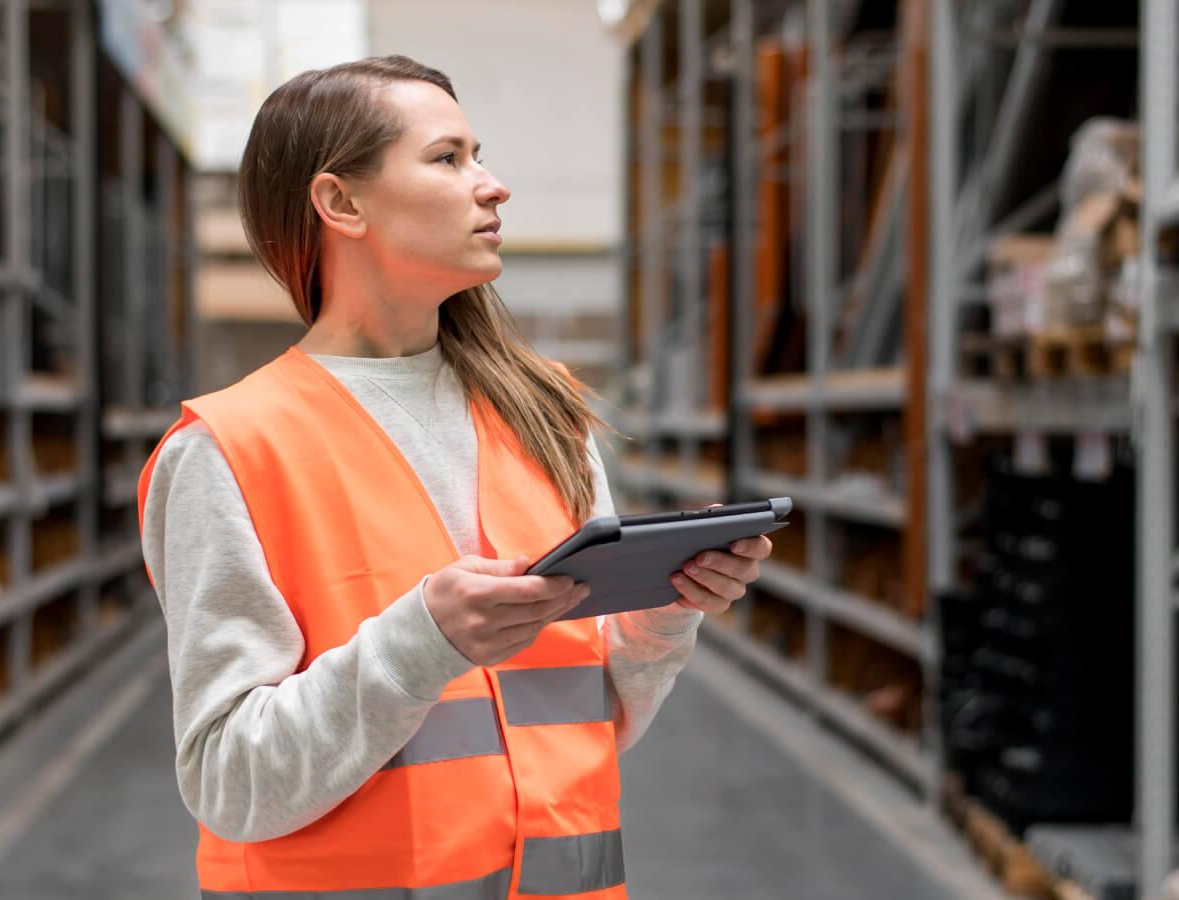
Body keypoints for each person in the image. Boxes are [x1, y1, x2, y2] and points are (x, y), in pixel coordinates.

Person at [136, 55, 773, 899]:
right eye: (448, 158)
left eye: (480, 154)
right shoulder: (231, 449)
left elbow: (591, 723)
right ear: (341, 202)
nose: (494, 185)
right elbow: (230, 782)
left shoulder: (543, 413)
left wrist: (663, 611)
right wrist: (420, 645)